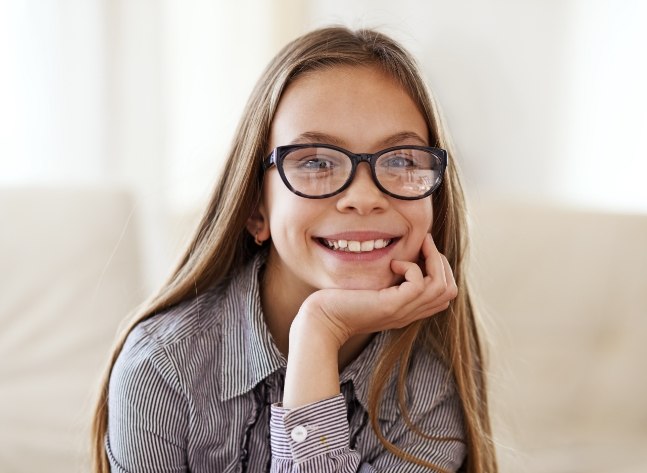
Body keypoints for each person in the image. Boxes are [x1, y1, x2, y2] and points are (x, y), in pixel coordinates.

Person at [91, 26, 497, 473]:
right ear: (255, 210)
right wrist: (322, 329)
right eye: (317, 162)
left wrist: (319, 333)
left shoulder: (427, 388)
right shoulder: (162, 370)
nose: (363, 197)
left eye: (401, 160)